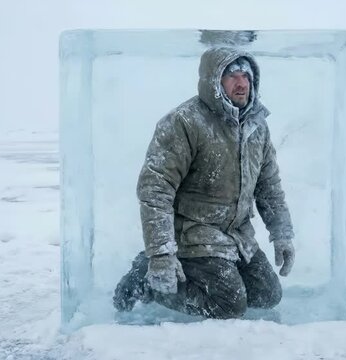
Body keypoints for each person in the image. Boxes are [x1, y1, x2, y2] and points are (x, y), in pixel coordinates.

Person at [113, 47, 295, 319]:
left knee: (267, 296)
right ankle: (149, 282)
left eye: (246, 75)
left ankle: (199, 275)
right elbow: (155, 190)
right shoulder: (184, 122)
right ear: (214, 80)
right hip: (193, 234)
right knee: (228, 306)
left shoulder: (257, 126)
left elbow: (269, 187)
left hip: (238, 236)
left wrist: (282, 234)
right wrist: (161, 255)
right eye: (232, 75)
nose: (242, 82)